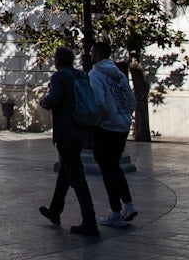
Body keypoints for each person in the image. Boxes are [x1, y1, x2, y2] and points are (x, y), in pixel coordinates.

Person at [38, 46, 98, 236]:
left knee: (77, 177)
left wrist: (45, 101)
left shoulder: (59, 77)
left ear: (58, 60)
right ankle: (55, 210)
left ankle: (90, 221)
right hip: (81, 130)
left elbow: (55, 99)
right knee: (65, 172)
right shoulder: (81, 75)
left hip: (67, 131)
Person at [88, 42, 138, 227]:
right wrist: (125, 116)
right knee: (114, 167)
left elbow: (100, 102)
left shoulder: (95, 73)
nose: (91, 55)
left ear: (99, 54)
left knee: (107, 171)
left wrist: (97, 121)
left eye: (93, 52)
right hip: (122, 126)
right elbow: (130, 99)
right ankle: (128, 204)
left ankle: (116, 212)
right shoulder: (119, 74)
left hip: (107, 127)